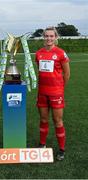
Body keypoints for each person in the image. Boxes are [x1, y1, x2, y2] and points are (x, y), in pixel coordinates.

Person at [35, 27, 70, 161]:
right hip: (42, 92)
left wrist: (60, 88)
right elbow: (40, 72)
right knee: (43, 119)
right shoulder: (39, 53)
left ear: (55, 37)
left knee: (57, 121)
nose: (49, 38)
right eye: (46, 36)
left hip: (56, 93)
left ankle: (61, 149)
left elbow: (67, 74)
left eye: (51, 36)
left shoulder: (61, 53)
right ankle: (42, 144)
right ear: (43, 37)